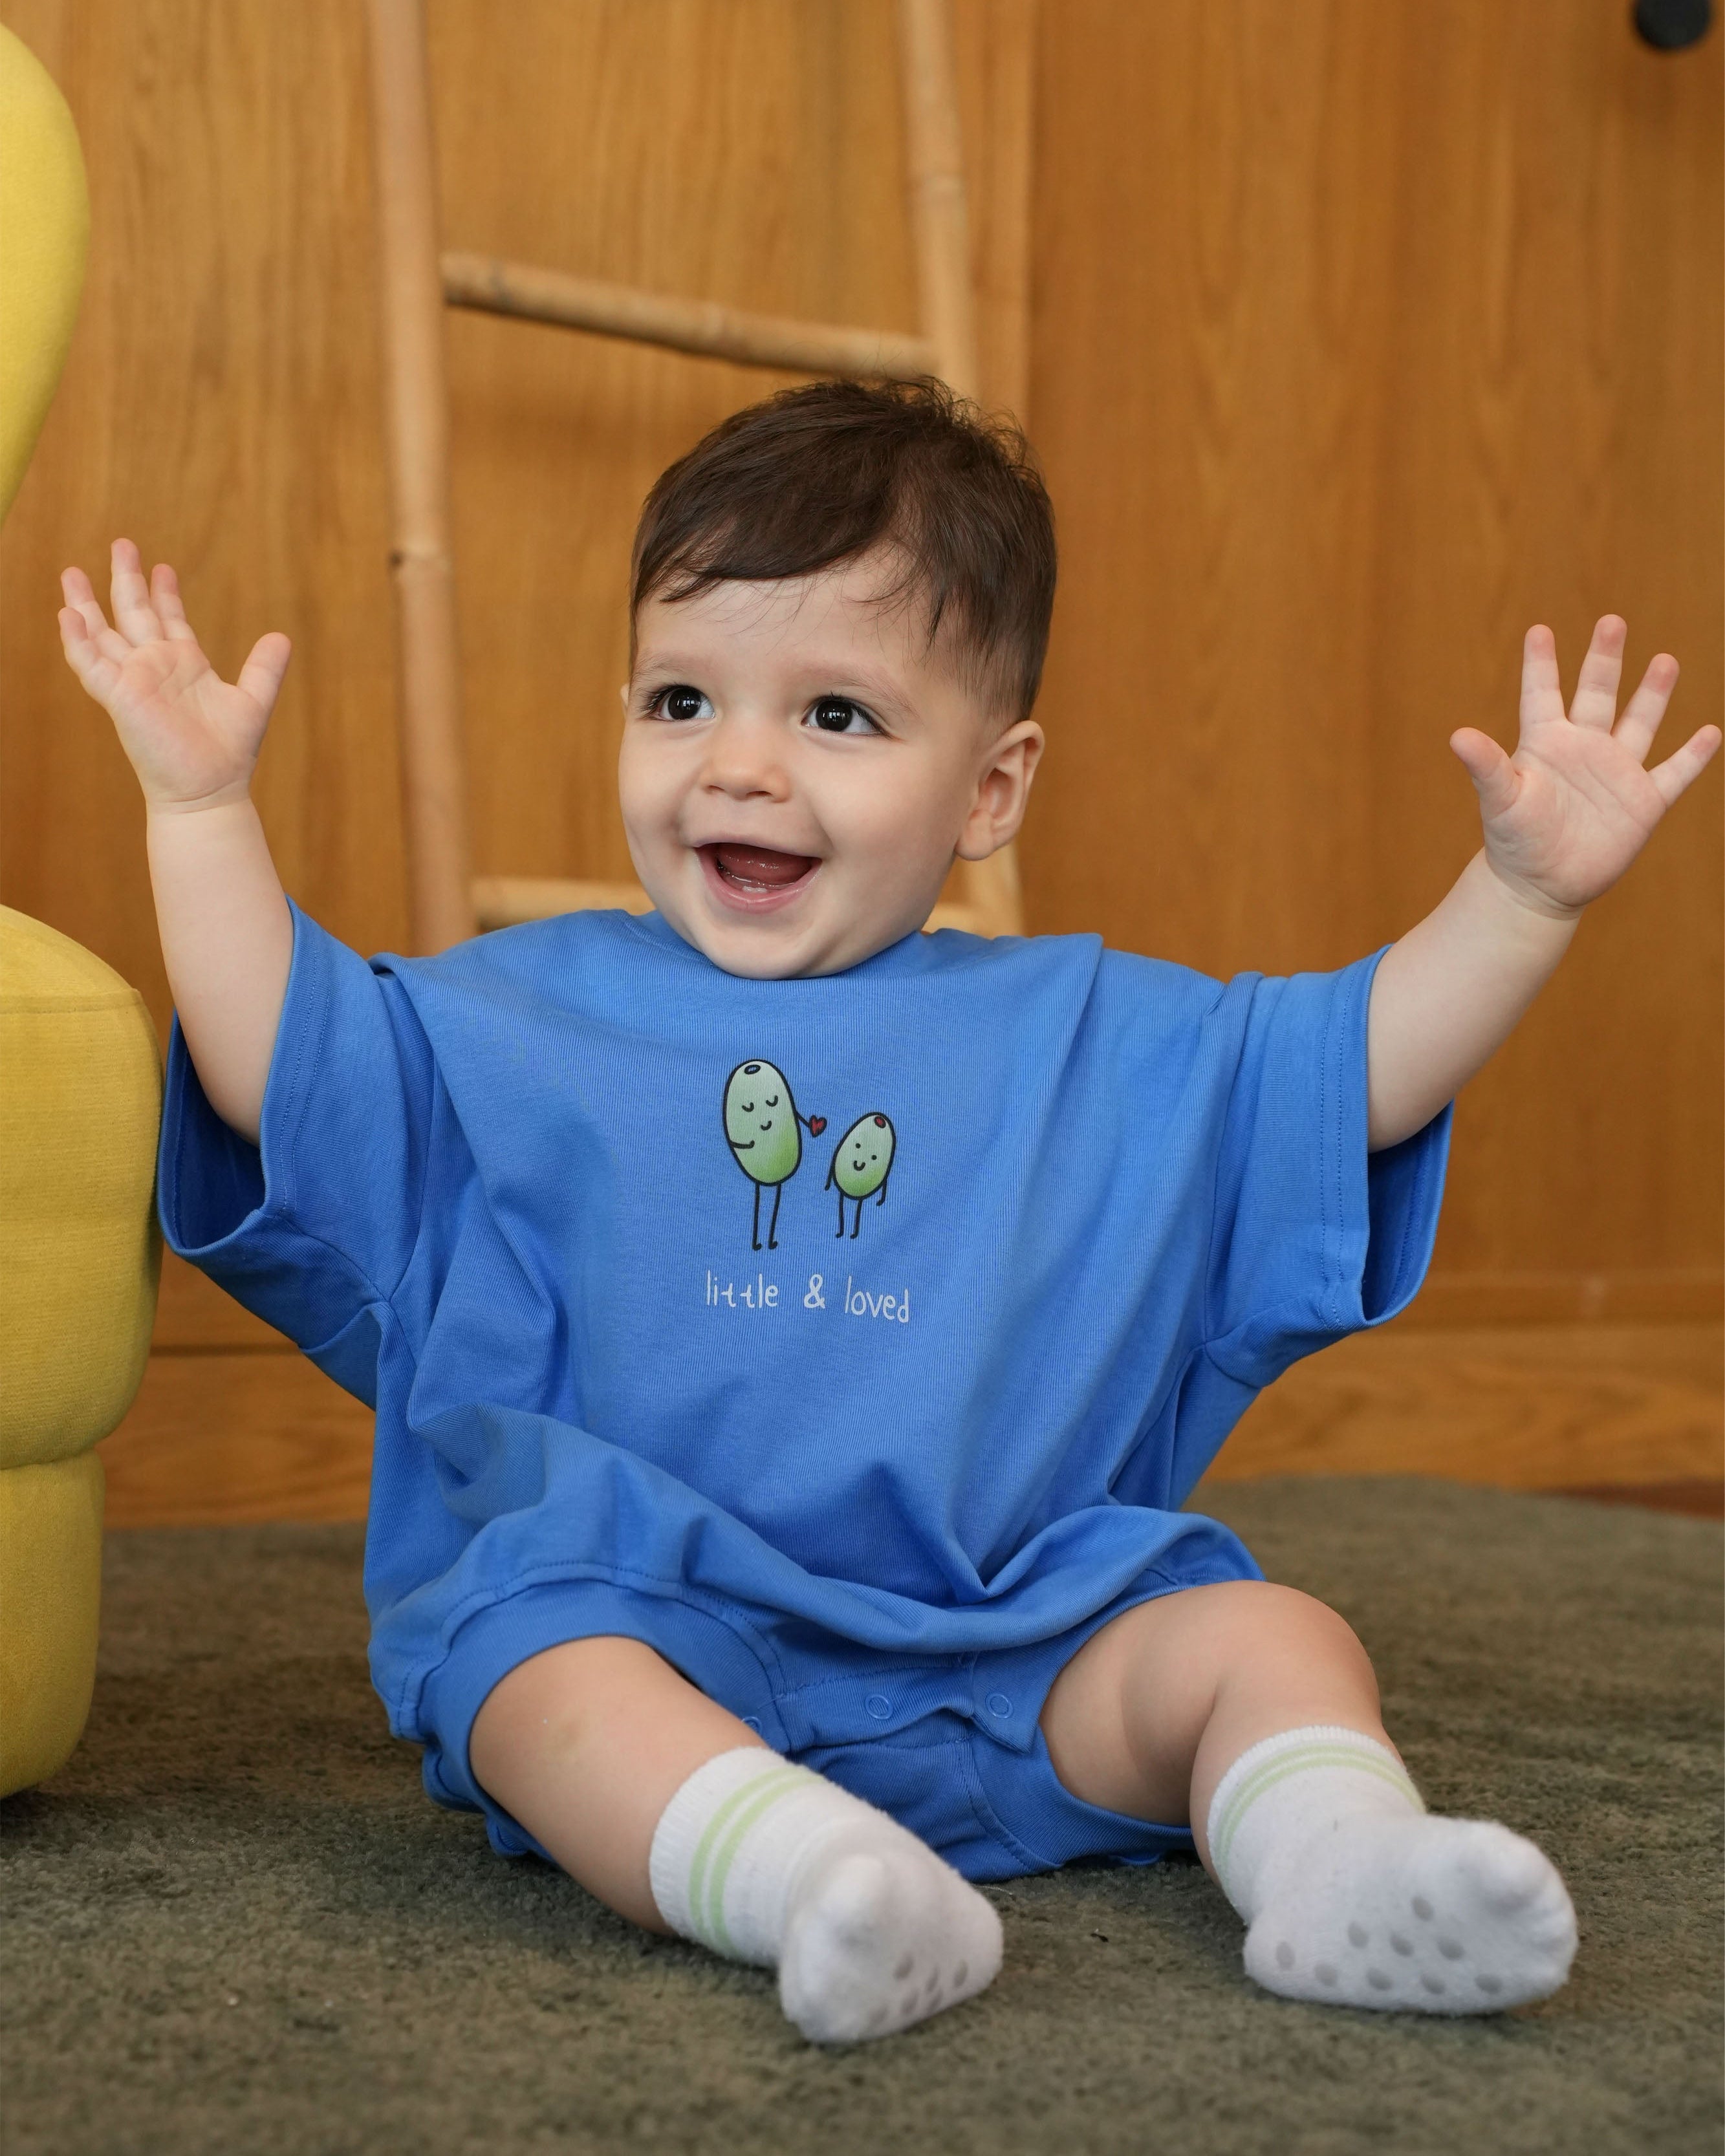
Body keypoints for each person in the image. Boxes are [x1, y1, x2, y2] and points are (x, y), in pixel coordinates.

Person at [59, 381, 1717, 2044]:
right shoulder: (523, 1011)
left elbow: (1347, 1069)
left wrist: (1515, 900)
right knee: (527, 1675)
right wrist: (203, 815)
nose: (743, 764)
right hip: (648, 1628)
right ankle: (799, 1868)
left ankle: (1337, 1857)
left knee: (1261, 1631)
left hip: (1018, 1647)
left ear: (988, 790)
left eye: (837, 716)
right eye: (682, 697)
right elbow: (285, 1066)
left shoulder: (1086, 1030)